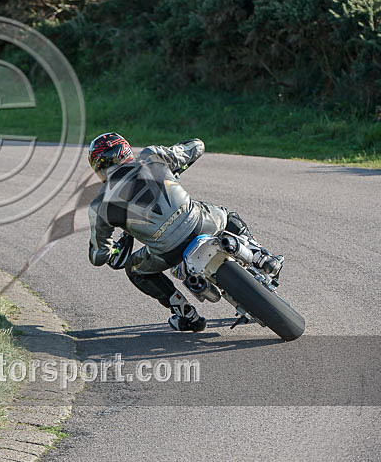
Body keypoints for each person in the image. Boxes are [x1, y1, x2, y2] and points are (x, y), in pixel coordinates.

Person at [87, 132, 284, 332]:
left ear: (99, 167)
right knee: (226, 215)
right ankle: (260, 256)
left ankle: (185, 314)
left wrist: (114, 249)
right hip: (202, 223)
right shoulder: (152, 156)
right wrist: (176, 165)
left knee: (134, 269)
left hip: (167, 252)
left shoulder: (100, 206)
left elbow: (98, 256)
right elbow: (197, 146)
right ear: (125, 150)